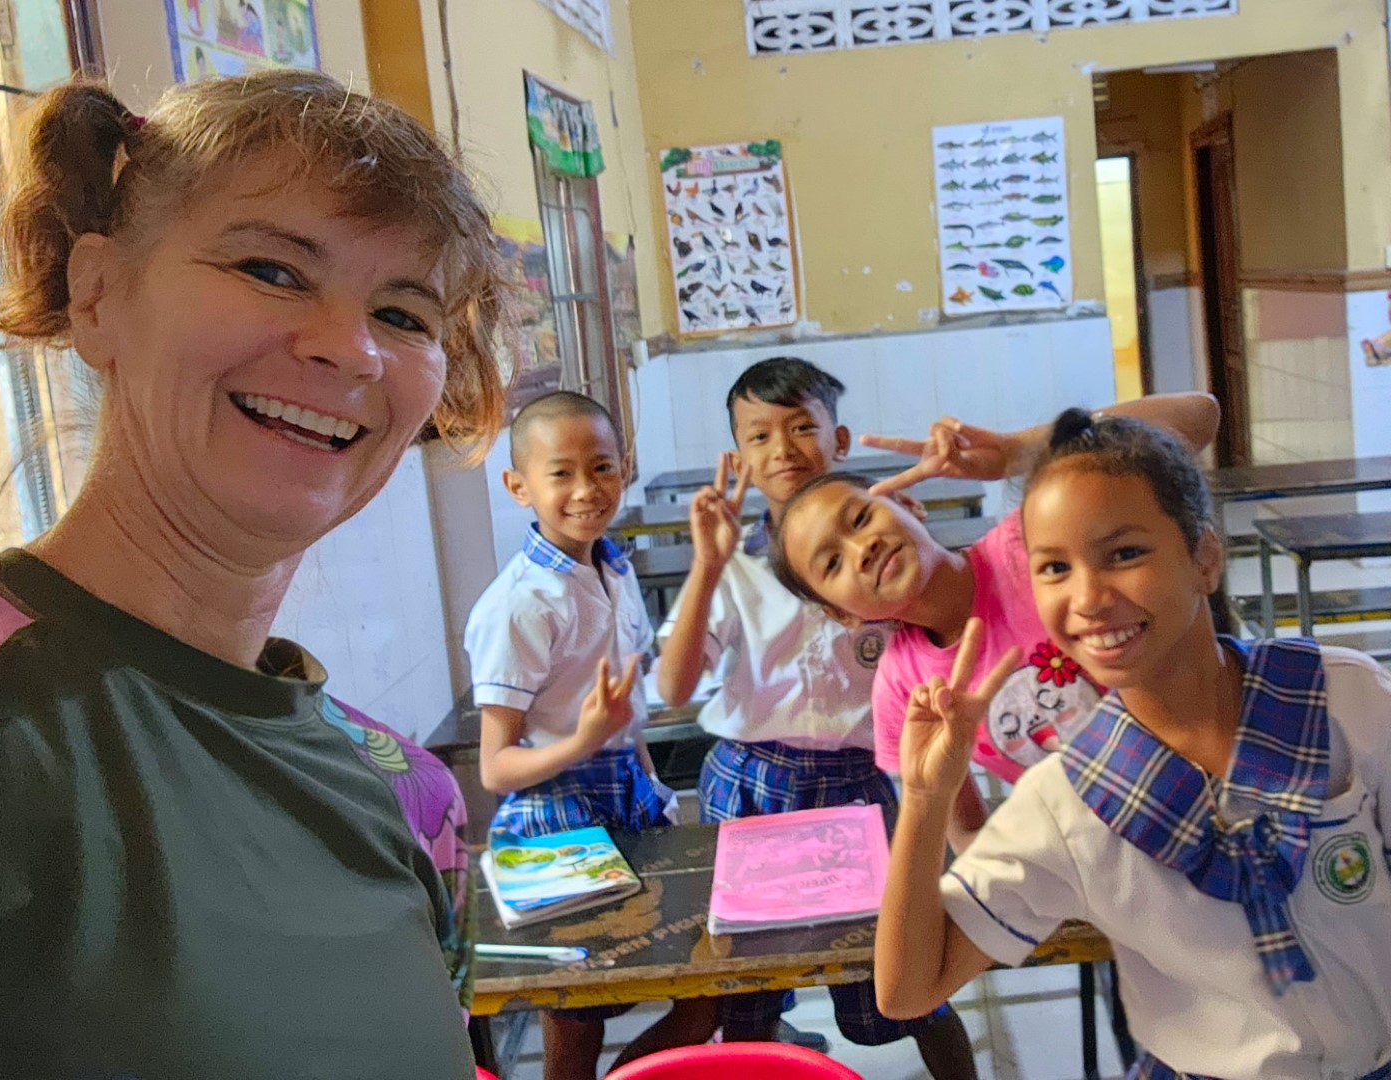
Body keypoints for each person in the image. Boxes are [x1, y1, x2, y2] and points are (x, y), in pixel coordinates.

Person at [0, 71, 505, 1079]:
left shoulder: (405, 795)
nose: (350, 350)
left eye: (403, 313)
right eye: (273, 270)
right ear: (99, 294)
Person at [873, 409, 1391, 1079]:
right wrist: (923, 798)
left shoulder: (1338, 696)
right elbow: (908, 990)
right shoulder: (1064, 806)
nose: (1088, 597)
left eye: (1124, 553)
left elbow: (1198, 412)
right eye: (1054, 568)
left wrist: (1024, 448)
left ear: (1205, 558)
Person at [645, 358, 978, 1077]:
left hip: (864, 779)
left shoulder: (883, 551)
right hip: (752, 783)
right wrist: (707, 566)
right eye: (760, 436)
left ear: (842, 438)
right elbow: (673, 689)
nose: (784, 449)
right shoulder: (732, 566)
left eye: (802, 426)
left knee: (907, 969)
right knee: (749, 986)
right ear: (738, 458)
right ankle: (761, 1056)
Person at [769, 394, 1220, 787]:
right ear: (842, 615)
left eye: (861, 519)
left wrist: (1015, 452)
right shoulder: (903, 689)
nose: (861, 550)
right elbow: (960, 828)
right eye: (832, 563)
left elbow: (1199, 416)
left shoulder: (1032, 542)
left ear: (908, 502)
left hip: (1211, 758)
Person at [463, 390, 676, 1080]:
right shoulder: (520, 604)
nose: (587, 490)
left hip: (626, 786)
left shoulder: (613, 567)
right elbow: (495, 769)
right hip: (551, 808)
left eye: (603, 467)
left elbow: (626, 708)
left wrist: (653, 780)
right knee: (577, 1013)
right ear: (518, 486)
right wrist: (584, 741)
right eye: (561, 473)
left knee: (692, 982)